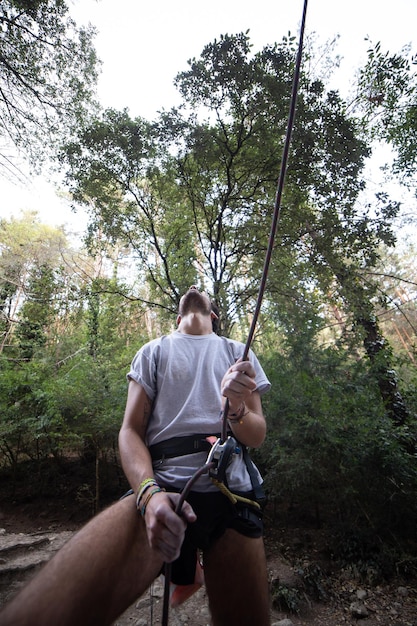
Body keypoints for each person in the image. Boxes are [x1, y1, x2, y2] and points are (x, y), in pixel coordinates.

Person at [0, 286, 271, 626]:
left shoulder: (237, 351)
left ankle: (187, 572)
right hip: (162, 486)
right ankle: (187, 570)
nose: (192, 288)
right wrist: (148, 495)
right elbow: (130, 432)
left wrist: (235, 408)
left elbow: (256, 435)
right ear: (177, 318)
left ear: (214, 316)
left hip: (232, 493)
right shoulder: (153, 351)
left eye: (200, 291)